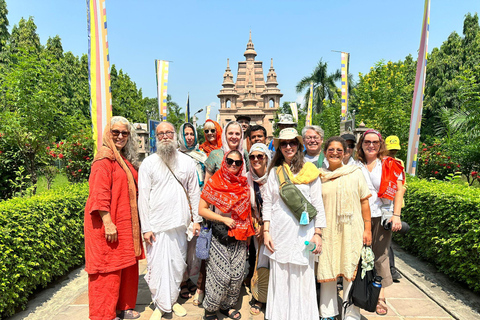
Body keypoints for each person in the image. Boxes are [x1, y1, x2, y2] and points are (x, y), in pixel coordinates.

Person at [138, 121, 201, 320]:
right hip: (156, 226)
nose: (165, 136)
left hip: (179, 224)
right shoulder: (148, 163)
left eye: (169, 132)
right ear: (156, 138)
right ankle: (160, 304)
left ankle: (171, 302)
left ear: (175, 135)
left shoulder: (187, 162)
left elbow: (194, 192)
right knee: (156, 267)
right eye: (161, 134)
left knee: (176, 267)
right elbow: (143, 198)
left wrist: (197, 220)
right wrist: (145, 227)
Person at [84, 116, 144, 320]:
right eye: (115, 132)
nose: (120, 136)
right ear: (107, 134)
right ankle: (104, 314)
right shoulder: (104, 158)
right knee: (107, 271)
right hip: (108, 224)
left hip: (124, 224)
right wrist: (108, 223)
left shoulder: (120, 157)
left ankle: (123, 307)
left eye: (124, 133)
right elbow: (99, 194)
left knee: (126, 266)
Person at [263, 128, 326, 320]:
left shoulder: (310, 170)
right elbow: (267, 202)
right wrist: (266, 231)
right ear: (279, 147)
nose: (288, 146)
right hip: (279, 233)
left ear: (298, 145)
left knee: (302, 277)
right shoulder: (274, 172)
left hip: (303, 234)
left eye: (292, 143)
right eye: (284, 143)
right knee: (280, 277)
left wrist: (318, 233)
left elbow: (318, 204)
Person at [317, 136, 372, 320]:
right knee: (328, 269)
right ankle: (327, 314)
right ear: (325, 152)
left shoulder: (355, 173)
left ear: (345, 153)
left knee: (350, 270)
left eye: (339, 150)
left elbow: (364, 201)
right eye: (331, 149)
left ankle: (351, 315)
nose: (335, 153)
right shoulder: (319, 176)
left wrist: (368, 229)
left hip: (351, 229)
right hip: (328, 230)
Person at [199, 150, 255, 320]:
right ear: (224, 161)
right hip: (219, 234)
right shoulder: (214, 182)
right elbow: (202, 210)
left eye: (237, 163)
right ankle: (210, 309)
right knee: (221, 276)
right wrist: (222, 219)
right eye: (230, 161)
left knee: (237, 275)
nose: (233, 165)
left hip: (239, 235)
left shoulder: (244, 183)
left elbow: (248, 212)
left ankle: (226, 306)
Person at [355, 129, 406, 316]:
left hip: (382, 216)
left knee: (380, 256)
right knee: (357, 255)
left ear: (380, 144)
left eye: (375, 142)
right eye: (367, 142)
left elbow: (399, 190)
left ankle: (380, 296)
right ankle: (356, 294)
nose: (371, 145)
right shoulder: (354, 165)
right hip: (358, 216)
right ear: (361, 144)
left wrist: (396, 215)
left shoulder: (388, 164)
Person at [177, 123, 208, 300]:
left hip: (199, 203)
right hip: (181, 204)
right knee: (181, 243)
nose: (189, 137)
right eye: (186, 134)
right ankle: (182, 281)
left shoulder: (201, 156)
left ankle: (188, 277)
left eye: (191, 134)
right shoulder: (175, 156)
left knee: (193, 246)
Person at [246, 143, 271, 315]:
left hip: (275, 225)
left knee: (276, 261)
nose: (256, 160)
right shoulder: (247, 177)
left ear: (266, 158)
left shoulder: (274, 175)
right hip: (257, 226)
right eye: (252, 157)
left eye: (259, 156)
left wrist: (266, 226)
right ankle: (260, 297)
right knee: (260, 261)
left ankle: (274, 297)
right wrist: (256, 222)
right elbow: (246, 204)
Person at [385, 135, 407, 282]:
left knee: (387, 240)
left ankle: (391, 270)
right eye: (390, 150)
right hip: (382, 204)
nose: (393, 153)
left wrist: (396, 213)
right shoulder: (379, 162)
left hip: (393, 206)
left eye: (395, 150)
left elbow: (400, 186)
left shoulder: (398, 163)